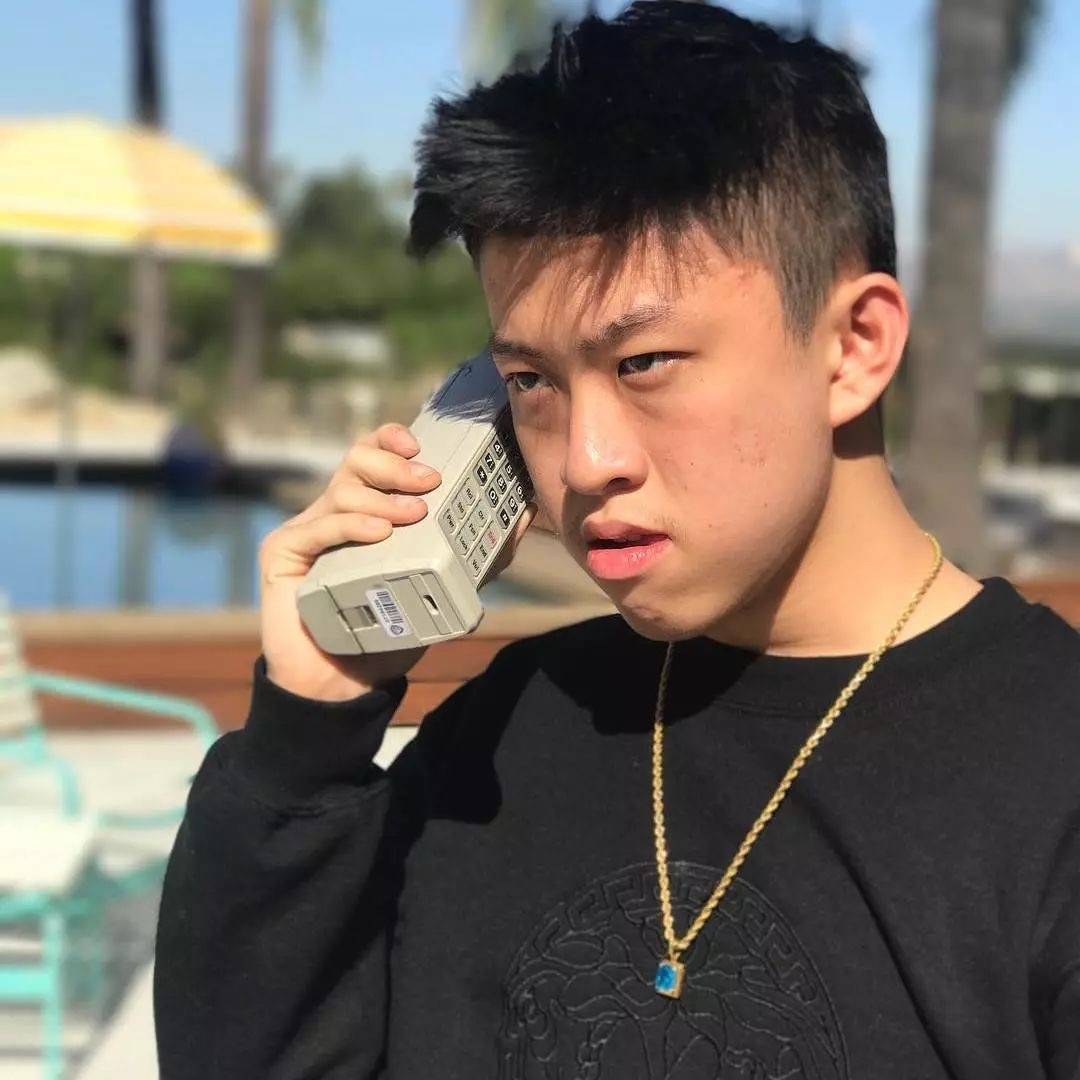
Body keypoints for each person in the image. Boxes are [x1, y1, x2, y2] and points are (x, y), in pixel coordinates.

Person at [153, 3, 1080, 1077]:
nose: (586, 461)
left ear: (855, 346)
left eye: (644, 364)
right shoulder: (499, 739)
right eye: (530, 381)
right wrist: (305, 738)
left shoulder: (1051, 777)